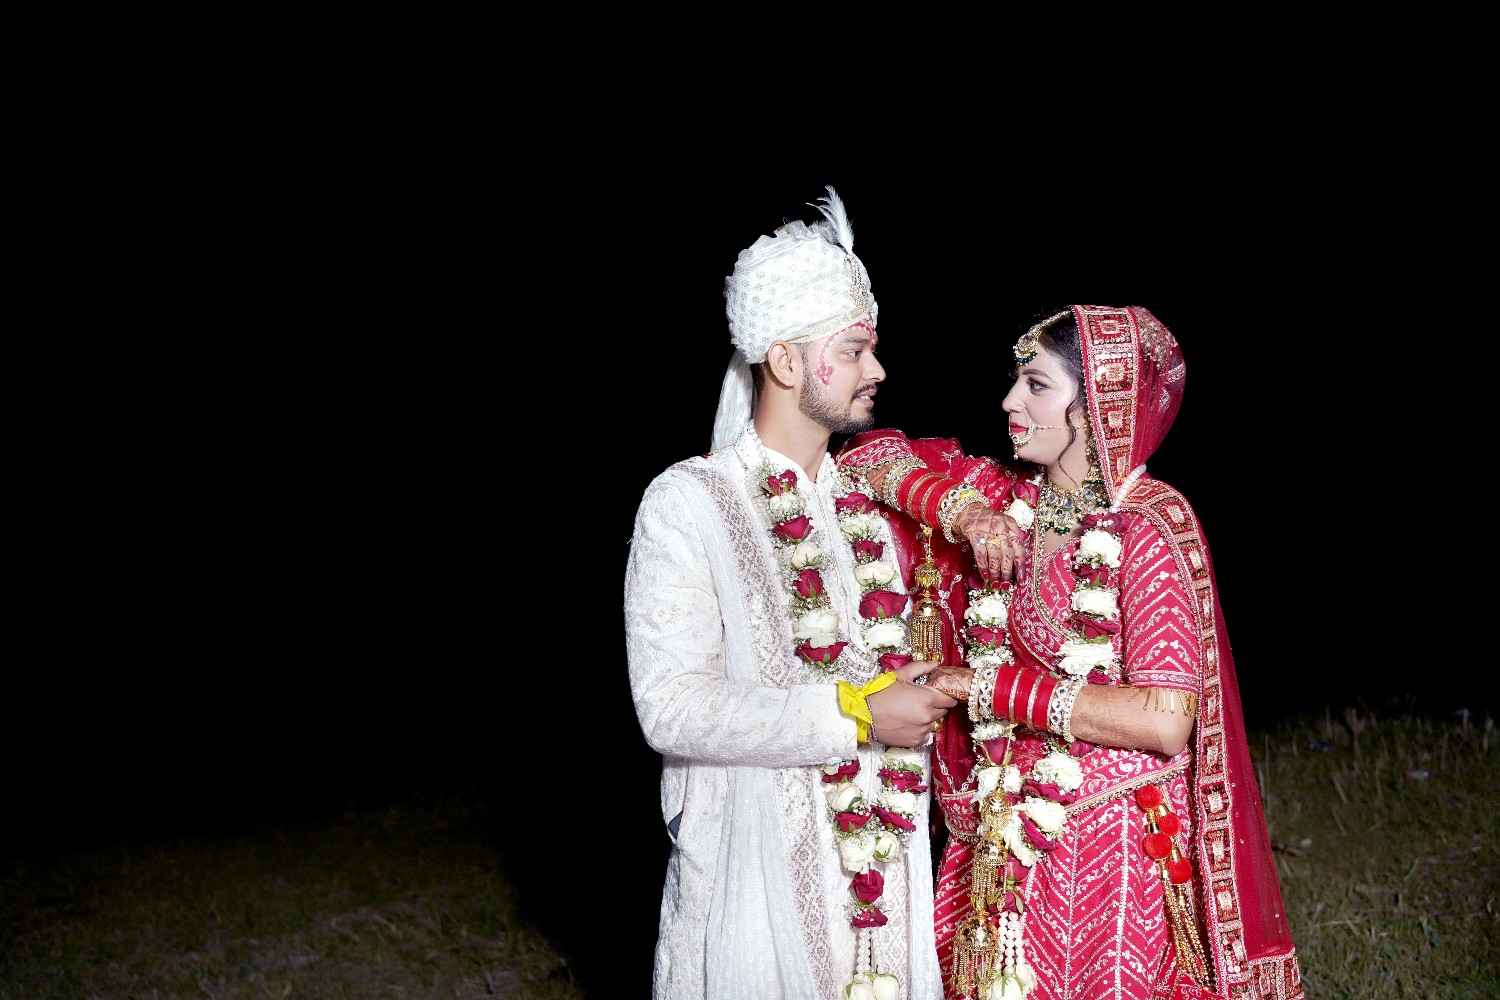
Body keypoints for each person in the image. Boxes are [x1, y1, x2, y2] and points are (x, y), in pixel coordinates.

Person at [838, 307, 1302, 1000]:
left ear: (1095, 407)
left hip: (1112, 842)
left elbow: (1164, 720)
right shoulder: (1006, 502)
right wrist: (963, 513)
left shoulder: (1148, 526)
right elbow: (865, 458)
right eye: (1016, 381)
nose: (1009, 401)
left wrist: (985, 686)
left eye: (1036, 385)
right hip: (1001, 824)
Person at [625, 189, 957, 999]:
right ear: (784, 362)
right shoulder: (689, 502)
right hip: (753, 878)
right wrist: (854, 714)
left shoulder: (864, 510)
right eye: (855, 350)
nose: (877, 370)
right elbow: (670, 706)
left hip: (882, 873)